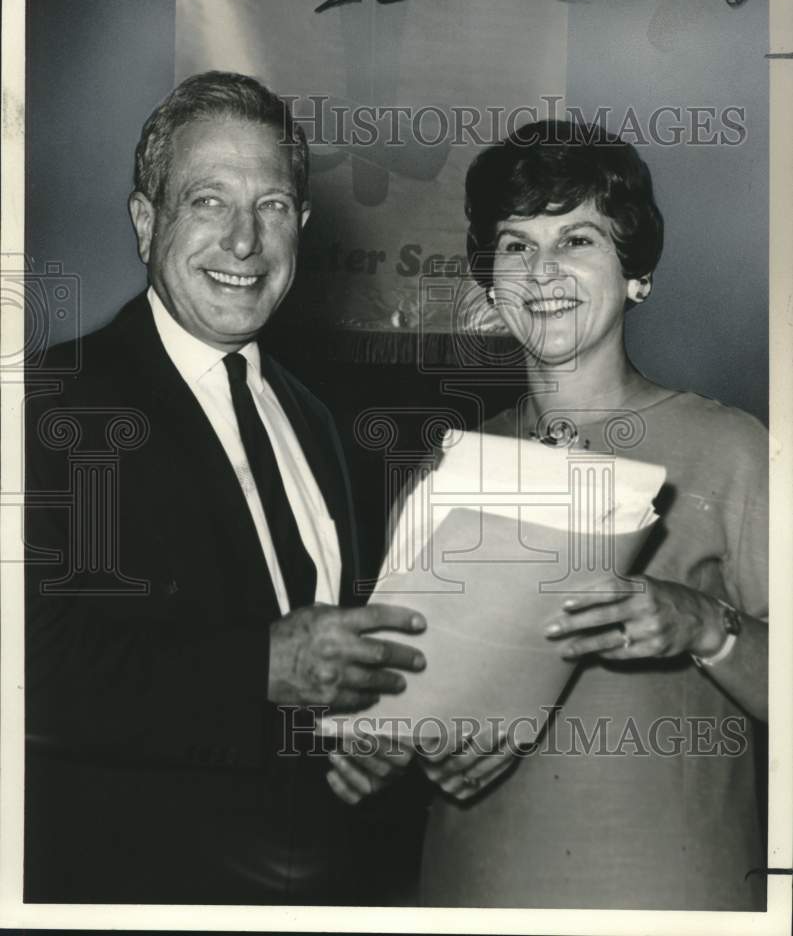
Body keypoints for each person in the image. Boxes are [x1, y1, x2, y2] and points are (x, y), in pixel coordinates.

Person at [23, 71, 426, 905]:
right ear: (146, 222)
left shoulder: (319, 417)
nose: (244, 242)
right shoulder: (52, 400)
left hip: (321, 886)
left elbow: (326, 657)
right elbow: (27, 666)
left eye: (273, 206)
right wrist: (259, 669)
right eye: (209, 201)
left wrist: (363, 731)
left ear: (302, 226)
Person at [410, 121, 768, 909]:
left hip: (668, 896)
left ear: (636, 273)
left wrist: (706, 625)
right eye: (514, 244)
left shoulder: (735, 451)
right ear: (486, 280)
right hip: (470, 896)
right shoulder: (448, 468)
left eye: (576, 239)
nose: (541, 270)